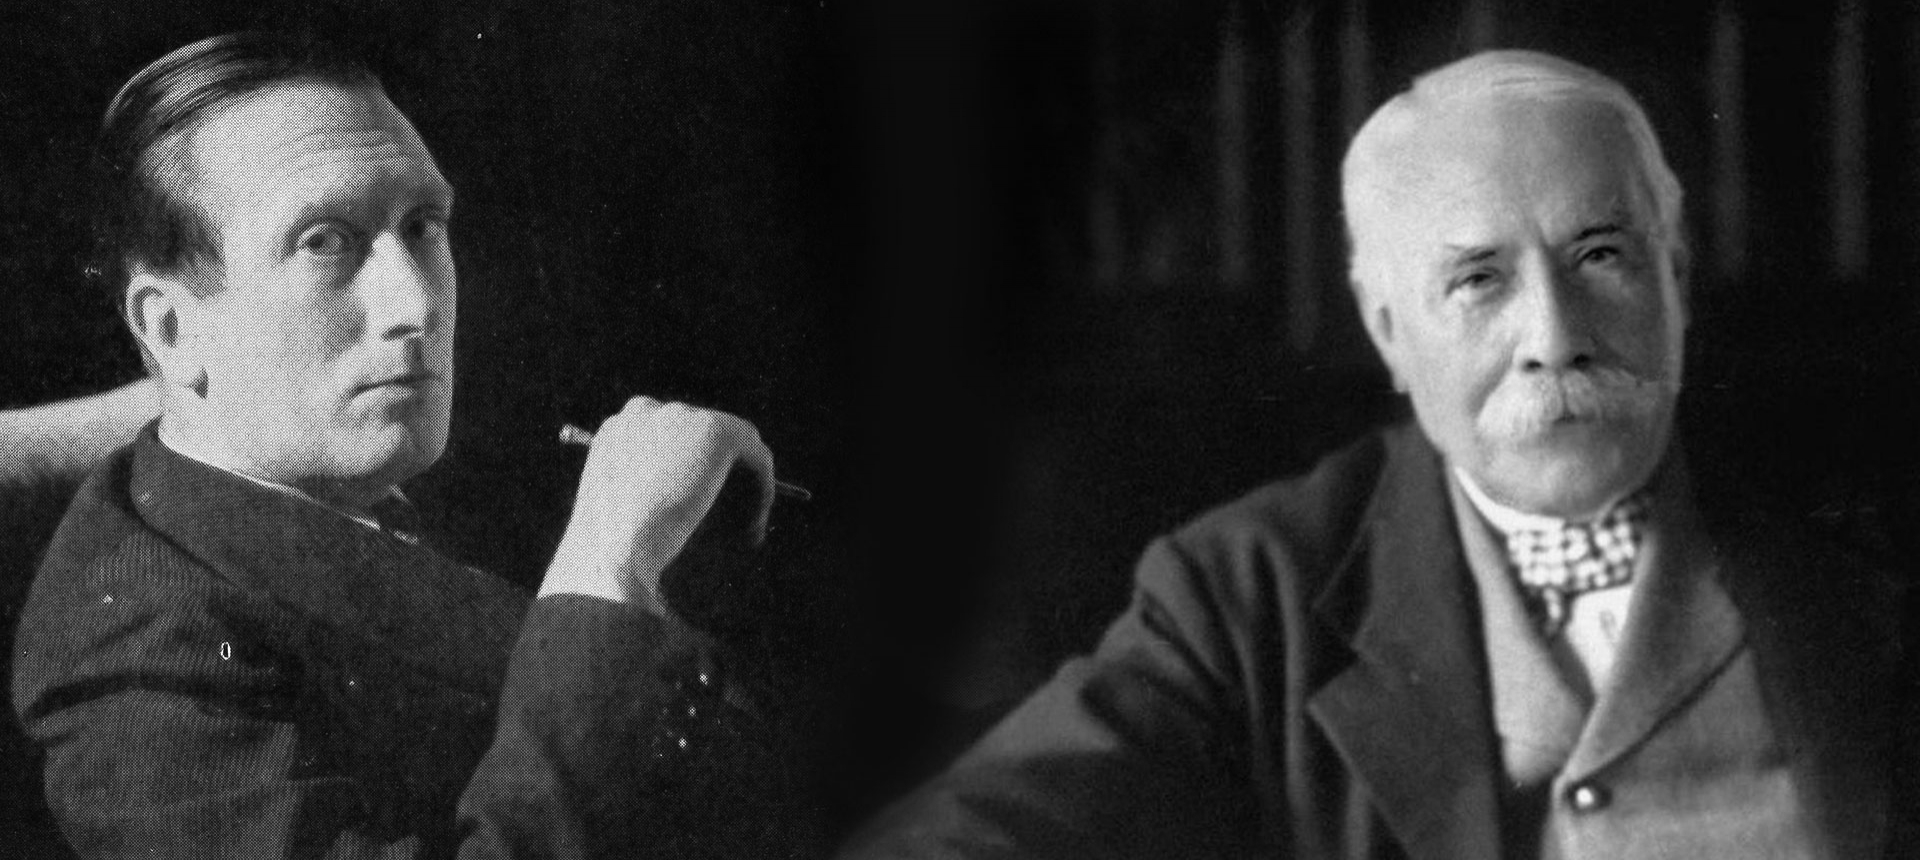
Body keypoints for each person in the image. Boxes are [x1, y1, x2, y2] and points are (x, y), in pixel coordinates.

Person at [842, 51, 1914, 859]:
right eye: (1479, 280)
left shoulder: (1877, 529)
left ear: (1675, 274)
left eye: (1601, 255)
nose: (1554, 336)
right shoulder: (1246, 590)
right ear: (1390, 331)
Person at [12, 32, 798, 859]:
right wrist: (609, 564)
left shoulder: (392, 446)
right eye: (325, 241)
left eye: (423, 225)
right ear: (172, 329)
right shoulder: (138, 653)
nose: (416, 303)